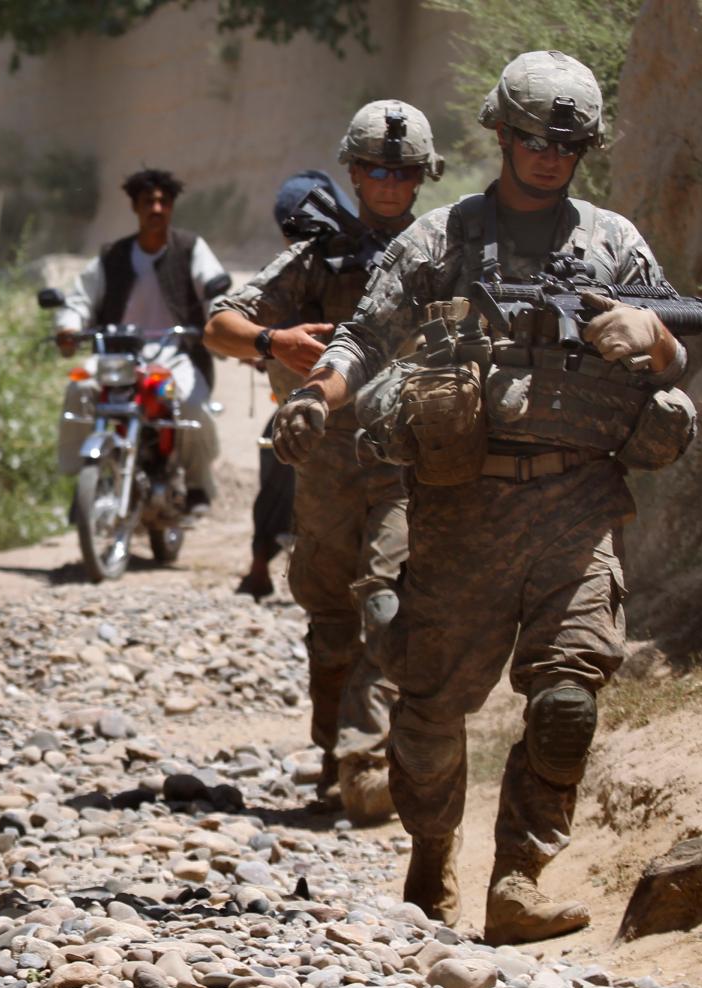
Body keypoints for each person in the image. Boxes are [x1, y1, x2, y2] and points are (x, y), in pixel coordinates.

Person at [274, 52, 693, 944]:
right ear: (501, 133)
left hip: (578, 508)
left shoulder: (614, 242)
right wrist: (316, 397)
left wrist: (648, 332)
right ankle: (431, 863)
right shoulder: (440, 239)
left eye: (568, 143)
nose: (549, 156)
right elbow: (363, 337)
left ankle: (519, 879)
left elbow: (680, 355)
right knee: (430, 706)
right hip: (461, 511)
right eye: (534, 138)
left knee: (568, 698)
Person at [207, 103, 444, 823]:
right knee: (332, 612)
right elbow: (221, 322)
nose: (389, 183)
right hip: (328, 457)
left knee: (389, 595)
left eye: (403, 171)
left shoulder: (444, 250)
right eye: (375, 168)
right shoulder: (320, 255)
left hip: (412, 457)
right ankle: (336, 751)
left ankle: (369, 759)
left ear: (422, 177)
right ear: (351, 170)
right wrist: (273, 341)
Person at [54, 168, 229, 512]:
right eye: (149, 201)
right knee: (79, 390)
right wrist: (69, 328)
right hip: (118, 355)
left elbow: (215, 291)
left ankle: (197, 485)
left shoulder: (191, 249)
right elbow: (80, 300)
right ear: (135, 207)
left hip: (175, 354)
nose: (157, 208)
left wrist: (221, 321)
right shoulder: (112, 256)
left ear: (173, 207)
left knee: (192, 406)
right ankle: (83, 480)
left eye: (164, 201)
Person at [235, 171, 357, 601]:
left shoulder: (324, 267)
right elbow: (240, 325)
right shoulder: (316, 266)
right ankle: (261, 567)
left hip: (345, 406)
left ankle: (259, 566)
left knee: (275, 456)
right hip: (322, 403)